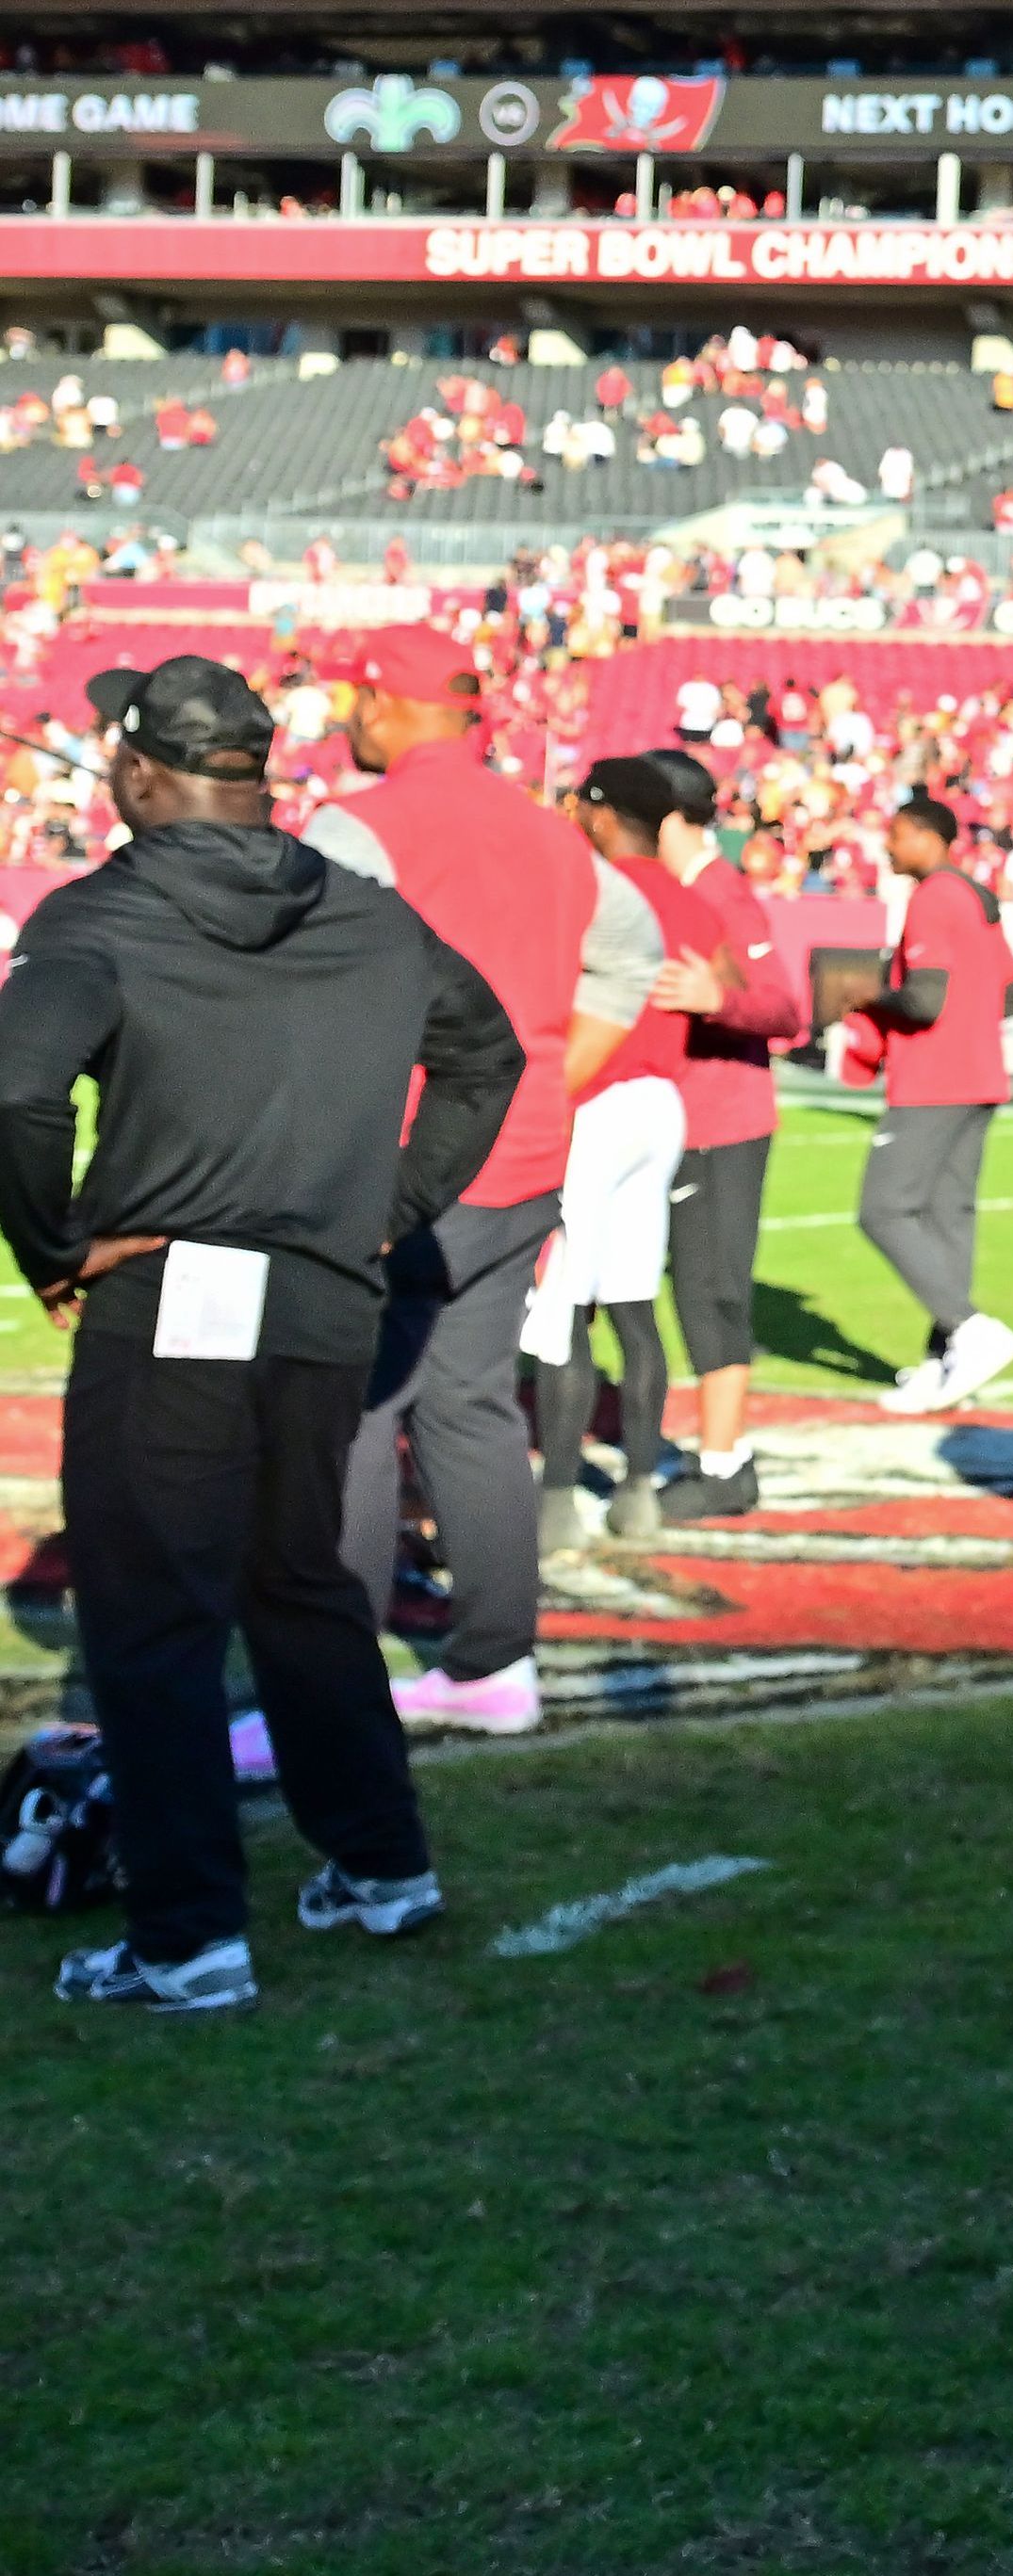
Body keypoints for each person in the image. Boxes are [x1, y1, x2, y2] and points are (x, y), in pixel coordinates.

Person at [0, 659, 520, 2011]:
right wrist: (384, 1211)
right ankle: (383, 1863)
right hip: (325, 1300)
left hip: (178, 1291)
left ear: (135, 772)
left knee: (152, 1610)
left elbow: (16, 1092)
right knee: (298, 1580)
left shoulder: (100, 911)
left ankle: (186, 1936)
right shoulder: (364, 910)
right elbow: (490, 1056)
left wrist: (52, 1246)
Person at [303, 622, 665, 1739]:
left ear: (385, 702)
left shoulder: (359, 825)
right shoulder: (549, 833)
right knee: (468, 1403)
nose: (347, 718)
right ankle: (496, 1663)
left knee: (355, 1408)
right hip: (522, 1156)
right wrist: (556, 1072)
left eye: (356, 699)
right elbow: (633, 950)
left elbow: (301, 993)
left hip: (399, 1162)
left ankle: (334, 1682)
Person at [534, 757, 719, 1545]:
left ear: (604, 814)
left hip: (596, 1098)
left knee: (563, 1308)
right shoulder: (691, 898)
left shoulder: (591, 887)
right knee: (636, 1306)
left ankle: (555, 1502)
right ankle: (638, 1490)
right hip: (660, 1102)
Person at [644, 747, 807, 1516]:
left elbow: (783, 1005)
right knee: (673, 1286)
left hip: (719, 1120)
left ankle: (723, 1462)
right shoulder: (680, 889)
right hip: (678, 1115)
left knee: (710, 1288)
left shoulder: (721, 894)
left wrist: (718, 998)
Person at [854, 794, 1013, 1411]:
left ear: (929, 837)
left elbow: (925, 1001)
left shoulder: (933, 896)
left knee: (882, 1210)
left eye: (897, 834)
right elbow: (1012, 994)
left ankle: (970, 1329)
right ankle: (947, 1360)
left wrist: (867, 995)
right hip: (981, 1075)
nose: (888, 845)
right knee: (950, 1218)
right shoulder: (978, 896)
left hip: (934, 1079)